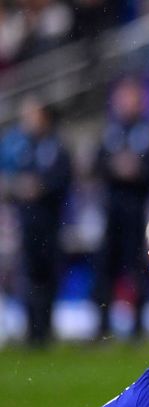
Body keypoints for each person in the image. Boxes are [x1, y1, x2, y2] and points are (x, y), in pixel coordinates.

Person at [94, 76, 149, 340]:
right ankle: (102, 326)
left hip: (138, 209)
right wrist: (116, 169)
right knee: (106, 269)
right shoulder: (110, 131)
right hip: (111, 211)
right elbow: (97, 163)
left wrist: (138, 170)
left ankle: (138, 327)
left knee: (137, 269)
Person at [0, 95, 71, 347]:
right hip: (25, 222)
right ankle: (31, 330)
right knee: (28, 276)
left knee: (47, 275)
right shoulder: (20, 147)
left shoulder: (56, 147)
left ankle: (45, 328)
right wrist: (18, 187)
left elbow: (62, 178)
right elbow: (8, 178)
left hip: (49, 222)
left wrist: (40, 187)